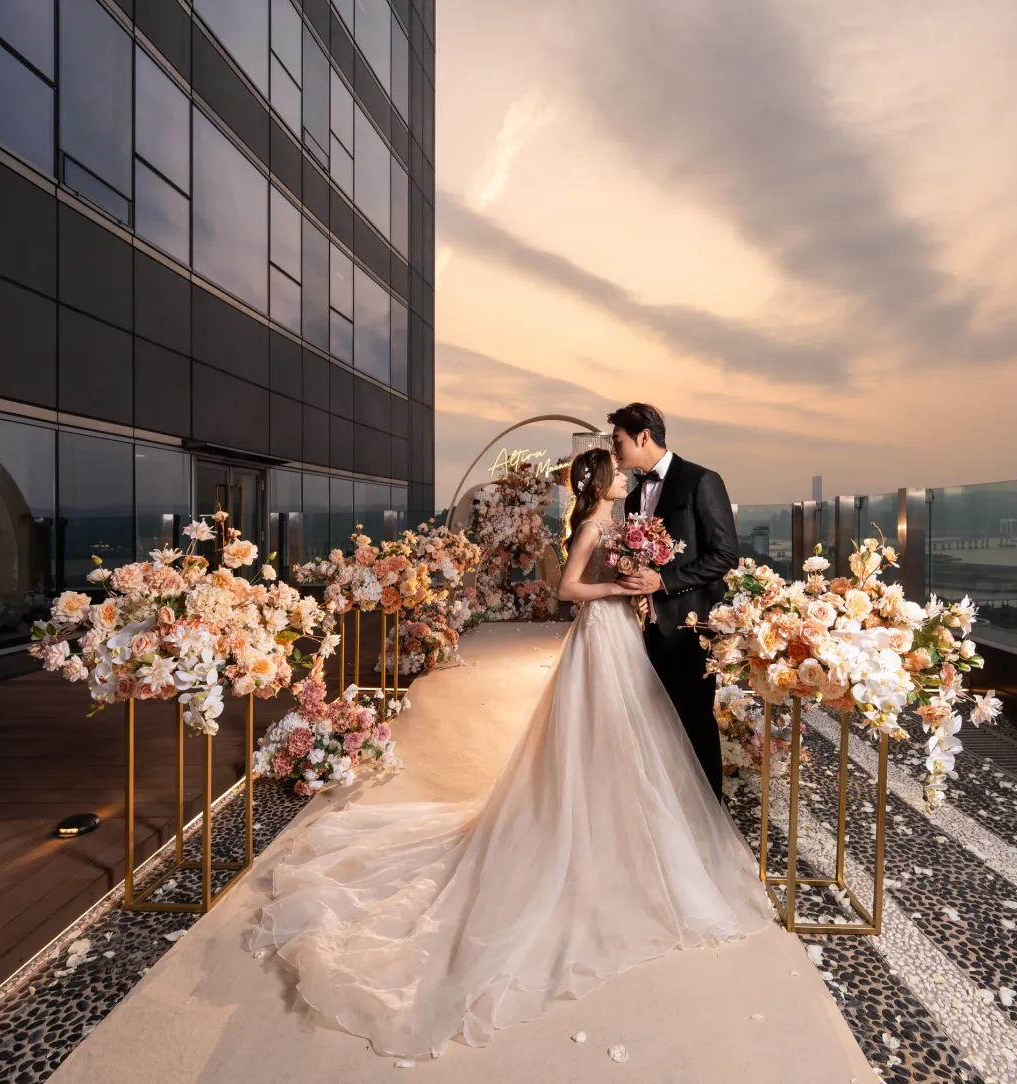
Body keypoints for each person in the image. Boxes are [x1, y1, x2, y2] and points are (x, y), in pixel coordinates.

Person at [247, 445, 770, 1058]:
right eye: (617, 471)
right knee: (598, 727)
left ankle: (623, 817)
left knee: (637, 726)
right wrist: (616, 586)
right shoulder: (593, 525)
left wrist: (641, 582)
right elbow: (567, 588)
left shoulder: (622, 520)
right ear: (602, 483)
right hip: (600, 636)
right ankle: (586, 826)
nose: (626, 475)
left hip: (624, 637)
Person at [610, 402, 740, 798]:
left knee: (695, 721)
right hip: (648, 629)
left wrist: (663, 582)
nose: (615, 450)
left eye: (618, 441)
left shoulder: (701, 480)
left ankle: (709, 812)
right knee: (658, 724)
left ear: (643, 436)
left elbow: (724, 555)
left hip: (691, 627)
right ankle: (672, 810)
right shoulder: (633, 498)